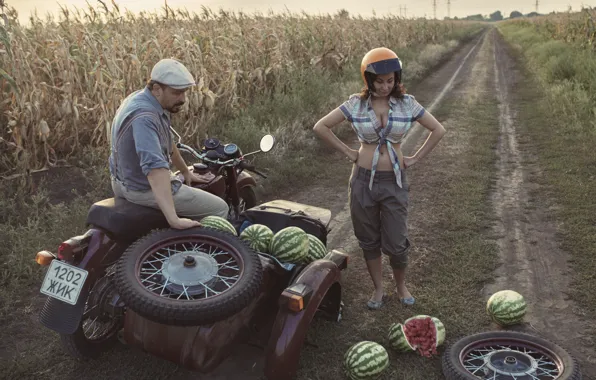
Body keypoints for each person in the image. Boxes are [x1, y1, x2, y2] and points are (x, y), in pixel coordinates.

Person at [313, 47, 446, 309]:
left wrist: (415, 158)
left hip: (394, 181)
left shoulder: (407, 103)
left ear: (397, 79)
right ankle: (378, 289)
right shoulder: (355, 104)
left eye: (391, 80)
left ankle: (401, 285)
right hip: (363, 181)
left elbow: (438, 129)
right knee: (368, 237)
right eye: (380, 81)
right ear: (368, 80)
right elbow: (321, 126)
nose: (386, 86)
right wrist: (350, 152)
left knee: (396, 242)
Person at [108, 58, 229, 230]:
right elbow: (155, 169)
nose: (183, 99)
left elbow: (166, 141)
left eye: (185, 92)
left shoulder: (141, 99)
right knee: (219, 208)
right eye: (177, 93)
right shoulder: (145, 117)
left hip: (123, 180)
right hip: (141, 188)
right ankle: (204, 252)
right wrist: (174, 220)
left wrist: (186, 171)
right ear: (157, 89)